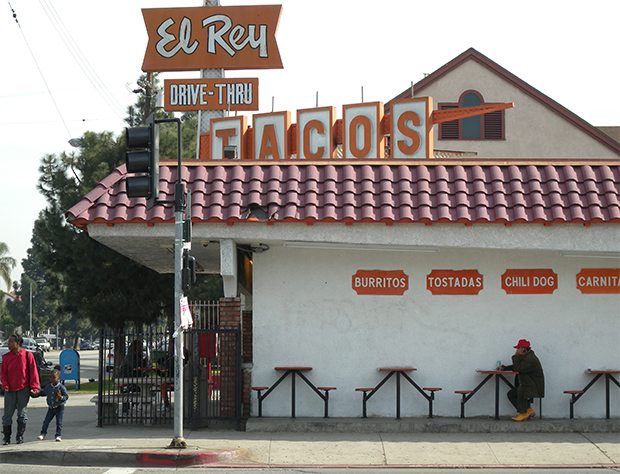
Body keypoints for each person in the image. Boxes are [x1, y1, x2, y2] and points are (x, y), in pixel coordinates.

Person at [1, 334, 40, 445]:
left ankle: (19, 436)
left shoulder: (27, 355)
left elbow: (33, 373)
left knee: (22, 414)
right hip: (10, 390)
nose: (8, 344)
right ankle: (6, 437)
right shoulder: (6, 357)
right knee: (7, 415)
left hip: (23, 389)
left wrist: (34, 387)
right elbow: (3, 374)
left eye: (10, 342)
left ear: (17, 343)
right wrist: (5, 385)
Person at [498, 338, 545, 421]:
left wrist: (515, 356)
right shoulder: (526, 357)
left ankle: (523, 413)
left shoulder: (530, 359)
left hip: (533, 386)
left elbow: (518, 368)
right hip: (528, 384)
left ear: (524, 350)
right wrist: (504, 368)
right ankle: (529, 410)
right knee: (511, 394)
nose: (517, 351)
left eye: (518, 349)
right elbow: (517, 366)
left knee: (521, 390)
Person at [37, 366, 68, 442]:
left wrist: (60, 397)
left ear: (59, 378)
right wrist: (37, 393)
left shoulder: (61, 387)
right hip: (51, 407)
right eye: (50, 377)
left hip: (59, 407)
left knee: (59, 422)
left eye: (54, 377)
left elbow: (66, 396)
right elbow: (43, 392)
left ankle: (58, 435)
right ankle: (43, 434)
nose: (51, 379)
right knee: (46, 421)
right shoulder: (48, 387)